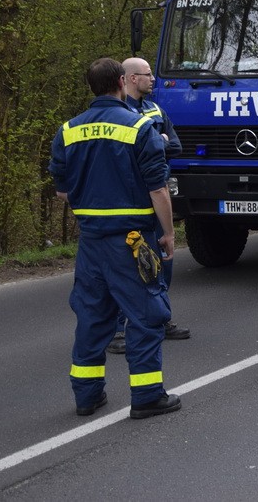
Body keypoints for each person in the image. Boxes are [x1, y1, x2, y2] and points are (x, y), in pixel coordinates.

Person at [49, 57, 181, 419]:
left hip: (90, 241)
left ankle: (87, 397)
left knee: (92, 317)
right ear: (122, 83)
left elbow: (62, 192)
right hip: (132, 240)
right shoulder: (139, 127)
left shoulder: (69, 131)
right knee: (145, 314)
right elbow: (158, 190)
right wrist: (168, 234)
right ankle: (147, 396)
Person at [106, 57, 189, 354]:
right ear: (129, 79)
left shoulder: (155, 109)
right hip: (130, 198)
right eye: (147, 74)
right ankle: (117, 330)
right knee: (126, 265)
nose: (153, 79)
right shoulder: (118, 112)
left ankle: (160, 319)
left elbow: (176, 146)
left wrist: (159, 141)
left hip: (157, 192)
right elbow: (123, 153)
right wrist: (158, 139)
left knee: (162, 261)